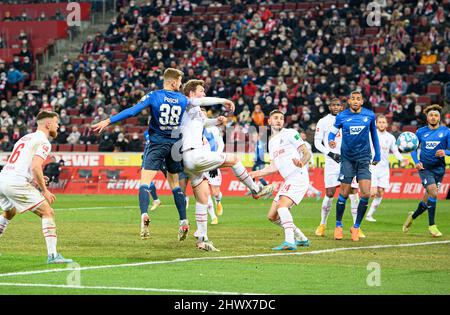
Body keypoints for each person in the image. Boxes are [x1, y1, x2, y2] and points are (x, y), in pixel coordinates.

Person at [92, 68, 233, 242]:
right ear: (174, 82)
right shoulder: (182, 99)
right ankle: (183, 220)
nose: (181, 85)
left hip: (157, 143)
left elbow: (132, 111)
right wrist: (223, 101)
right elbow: (201, 100)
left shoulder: (154, 96)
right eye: (180, 81)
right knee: (175, 185)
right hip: (175, 146)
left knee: (145, 182)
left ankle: (144, 214)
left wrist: (108, 121)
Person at [180, 79, 275, 251]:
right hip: (194, 153)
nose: (203, 94)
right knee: (233, 159)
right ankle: (256, 190)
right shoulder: (187, 103)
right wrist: (224, 100)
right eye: (201, 91)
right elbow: (202, 101)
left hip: (187, 160)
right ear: (192, 93)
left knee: (202, 198)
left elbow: (203, 122)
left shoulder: (194, 112)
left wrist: (217, 121)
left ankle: (202, 239)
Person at [0, 110, 72, 264]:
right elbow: (35, 167)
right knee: (47, 212)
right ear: (48, 124)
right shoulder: (44, 141)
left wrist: (34, 180)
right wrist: (44, 190)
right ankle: (53, 256)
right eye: (56, 122)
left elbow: (21, 165)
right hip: (15, 182)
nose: (58, 126)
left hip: (3, 179)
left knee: (9, 212)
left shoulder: (24, 138)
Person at [249, 110, 310, 250]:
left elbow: (306, 153)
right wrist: (256, 173)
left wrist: (301, 162)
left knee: (282, 206)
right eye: (275, 118)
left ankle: (289, 241)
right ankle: (302, 238)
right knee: (272, 216)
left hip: (298, 176)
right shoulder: (271, 142)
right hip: (289, 180)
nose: (279, 120)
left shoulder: (290, 133)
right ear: (269, 121)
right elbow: (273, 167)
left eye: (281, 118)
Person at [328, 91, 381, 241]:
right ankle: (338, 225)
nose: (355, 101)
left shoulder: (369, 116)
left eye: (358, 99)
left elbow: (374, 136)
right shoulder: (342, 116)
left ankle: (356, 227)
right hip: (347, 159)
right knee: (344, 193)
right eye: (353, 99)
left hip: (364, 158)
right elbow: (332, 133)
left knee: (365, 194)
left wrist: (378, 154)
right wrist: (331, 140)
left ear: (362, 102)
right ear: (349, 101)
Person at [314, 98, 363, 237]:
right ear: (329, 107)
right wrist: (330, 153)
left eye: (338, 105)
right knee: (330, 193)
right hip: (331, 162)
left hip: (349, 160)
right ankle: (322, 224)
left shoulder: (349, 119)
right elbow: (317, 143)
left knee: (353, 191)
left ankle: (356, 227)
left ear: (342, 107)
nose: (336, 107)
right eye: (333, 105)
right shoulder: (323, 121)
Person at [403, 105, 450, 237]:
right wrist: (416, 162)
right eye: (431, 115)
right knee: (434, 193)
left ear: (439, 117)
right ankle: (432, 226)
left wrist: (445, 152)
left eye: (436, 115)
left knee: (427, 200)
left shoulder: (446, 132)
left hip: (439, 170)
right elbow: (413, 148)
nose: (433, 117)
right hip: (425, 169)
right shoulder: (420, 132)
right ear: (427, 117)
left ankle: (412, 216)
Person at [366, 115, 409, 222]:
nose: (381, 124)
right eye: (379, 122)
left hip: (384, 169)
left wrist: (402, 160)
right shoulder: (371, 135)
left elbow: (395, 151)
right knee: (371, 192)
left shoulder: (390, 137)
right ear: (376, 124)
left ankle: (369, 215)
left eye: (383, 122)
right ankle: (358, 209)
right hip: (373, 167)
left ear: (387, 124)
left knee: (380, 192)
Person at [203, 123, 225, 223]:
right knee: (205, 192)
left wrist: (215, 158)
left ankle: (218, 201)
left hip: (212, 163)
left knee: (215, 193)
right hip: (200, 164)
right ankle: (213, 217)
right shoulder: (193, 128)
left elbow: (221, 144)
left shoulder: (213, 129)